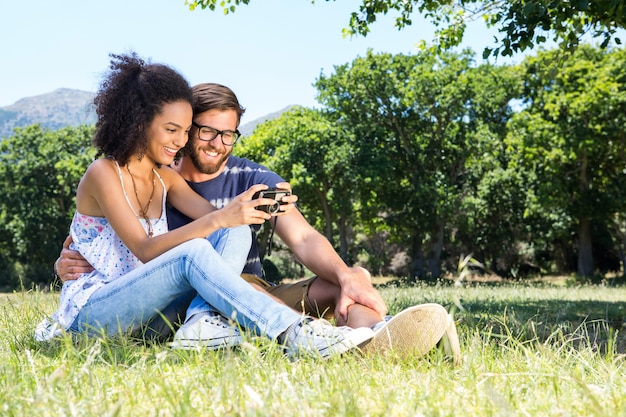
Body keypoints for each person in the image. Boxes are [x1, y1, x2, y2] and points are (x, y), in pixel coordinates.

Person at [56, 82, 460, 362]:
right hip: (180, 296)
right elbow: (108, 239)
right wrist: (67, 258)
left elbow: (301, 236)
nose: (217, 143)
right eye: (204, 131)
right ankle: (304, 336)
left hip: (246, 289)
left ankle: (377, 338)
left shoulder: (240, 178)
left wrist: (347, 273)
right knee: (205, 244)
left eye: (229, 134)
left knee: (342, 277)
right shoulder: (143, 168)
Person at [35, 52, 376, 360]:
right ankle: (294, 333)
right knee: (195, 249)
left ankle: (203, 323)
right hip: (97, 313)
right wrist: (64, 257)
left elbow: (233, 223)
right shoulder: (104, 172)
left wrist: (243, 211)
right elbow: (143, 248)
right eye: (173, 129)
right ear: (139, 122)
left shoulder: (165, 180)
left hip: (152, 318)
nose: (180, 141)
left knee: (236, 227)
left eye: (184, 131)